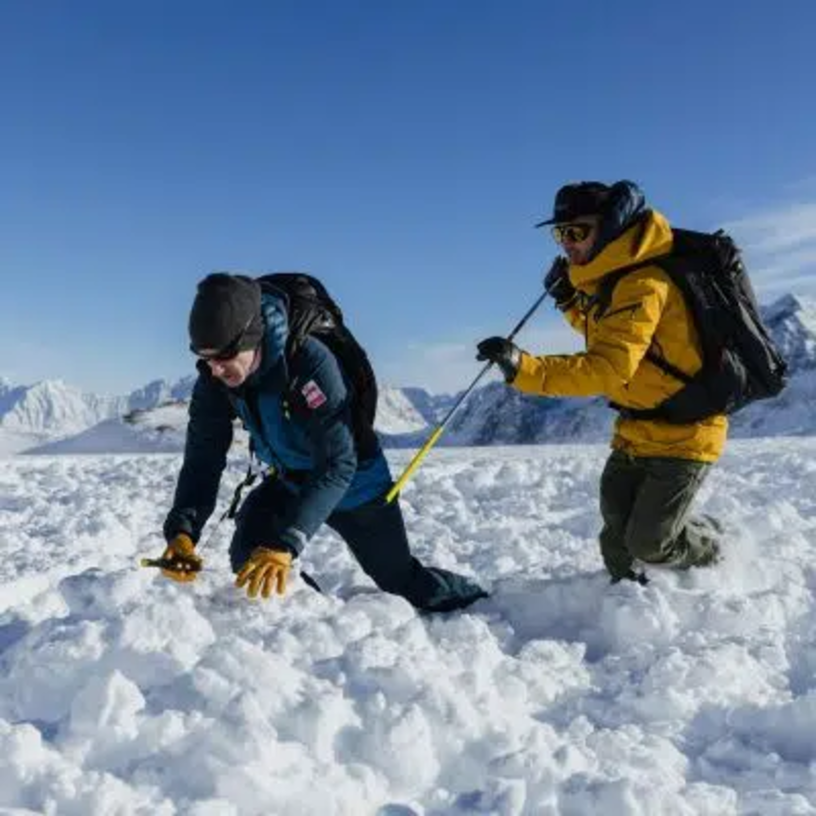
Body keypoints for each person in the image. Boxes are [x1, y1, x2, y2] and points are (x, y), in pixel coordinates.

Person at [160, 272, 487, 611]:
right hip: (289, 480)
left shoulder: (309, 362)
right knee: (251, 560)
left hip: (354, 485)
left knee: (398, 579)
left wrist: (287, 543)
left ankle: (474, 599)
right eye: (204, 357)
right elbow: (203, 456)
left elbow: (338, 462)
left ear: (252, 338)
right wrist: (183, 531)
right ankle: (313, 622)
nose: (214, 369)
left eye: (223, 357)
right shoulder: (216, 378)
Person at [476, 181, 723, 584]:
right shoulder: (615, 279)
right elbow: (610, 335)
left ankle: (713, 547)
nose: (566, 244)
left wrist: (523, 368)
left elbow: (608, 367)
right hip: (635, 432)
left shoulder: (642, 284)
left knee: (649, 543)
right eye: (561, 234)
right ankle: (635, 608)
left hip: (684, 436)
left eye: (576, 231)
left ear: (611, 226)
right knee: (617, 549)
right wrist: (571, 302)